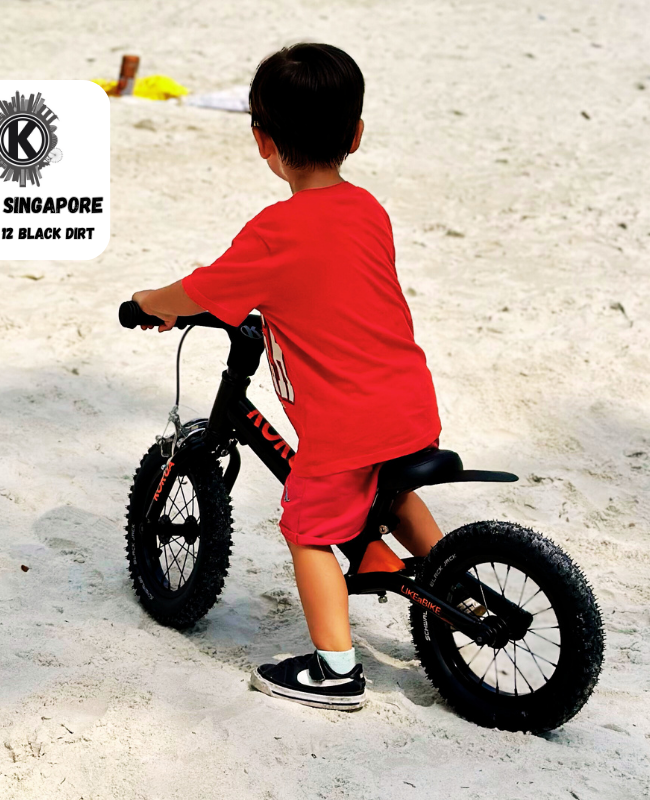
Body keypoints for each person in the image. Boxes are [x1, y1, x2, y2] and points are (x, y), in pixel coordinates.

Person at [131, 43, 443, 711]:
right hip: (410, 402)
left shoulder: (275, 232)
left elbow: (204, 288)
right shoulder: (368, 210)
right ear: (356, 135)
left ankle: (335, 672)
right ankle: (458, 590)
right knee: (390, 494)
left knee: (308, 530)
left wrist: (146, 306)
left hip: (344, 425)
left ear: (261, 140)